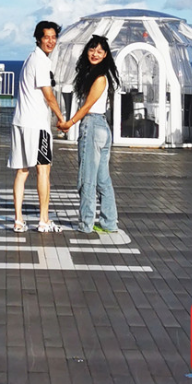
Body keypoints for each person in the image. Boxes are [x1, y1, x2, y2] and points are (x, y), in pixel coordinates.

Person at [8, 20, 66, 232]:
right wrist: (61, 118)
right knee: (43, 170)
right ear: (38, 39)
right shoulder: (41, 62)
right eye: (46, 37)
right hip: (36, 125)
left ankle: (18, 220)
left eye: (53, 37)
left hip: (20, 121)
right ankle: (43, 220)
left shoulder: (30, 59)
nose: (50, 41)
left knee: (22, 171)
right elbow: (48, 95)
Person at [58, 35, 119, 234]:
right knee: (102, 179)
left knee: (87, 178)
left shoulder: (100, 78)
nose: (95, 54)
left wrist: (69, 123)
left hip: (93, 126)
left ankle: (86, 224)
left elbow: (87, 107)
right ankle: (109, 223)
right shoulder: (94, 75)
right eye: (92, 50)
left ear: (106, 55)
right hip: (101, 126)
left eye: (99, 51)